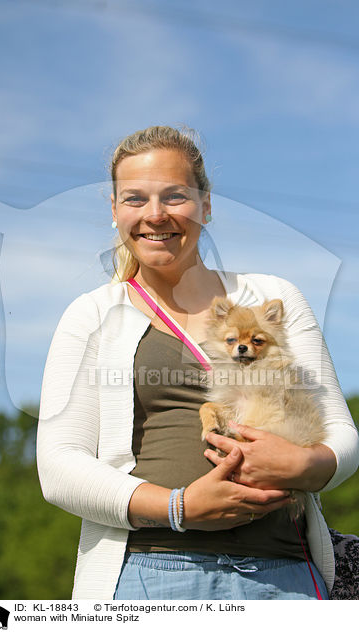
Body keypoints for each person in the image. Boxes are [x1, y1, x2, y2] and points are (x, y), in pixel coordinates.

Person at [36, 125, 359, 600]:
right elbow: (59, 467)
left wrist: (305, 466)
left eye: (174, 196)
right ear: (113, 211)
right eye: (134, 199)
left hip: (283, 574)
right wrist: (178, 507)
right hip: (154, 573)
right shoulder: (92, 315)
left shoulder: (273, 297)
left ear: (206, 206)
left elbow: (342, 435)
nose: (155, 214)